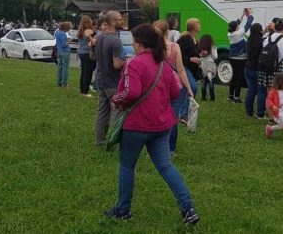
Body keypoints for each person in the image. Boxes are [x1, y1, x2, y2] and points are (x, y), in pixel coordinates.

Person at [105, 24, 199, 225]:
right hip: (162, 125)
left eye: (133, 40)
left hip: (136, 125)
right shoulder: (164, 64)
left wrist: (116, 99)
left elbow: (131, 93)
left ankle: (122, 210)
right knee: (166, 166)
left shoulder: (134, 64)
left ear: (138, 43)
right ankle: (188, 207)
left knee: (127, 166)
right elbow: (175, 92)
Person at [152, 20, 193, 158]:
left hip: (157, 86)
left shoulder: (151, 49)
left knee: (158, 116)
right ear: (168, 32)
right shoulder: (175, 47)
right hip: (175, 86)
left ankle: (157, 147)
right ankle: (170, 149)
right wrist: (189, 88)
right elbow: (181, 70)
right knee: (173, 118)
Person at [94, 11, 126, 146]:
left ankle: (100, 139)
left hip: (100, 79)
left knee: (102, 110)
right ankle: (114, 140)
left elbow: (93, 57)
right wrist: (127, 60)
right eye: (119, 19)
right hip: (113, 82)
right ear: (113, 22)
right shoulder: (116, 40)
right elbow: (117, 64)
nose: (122, 21)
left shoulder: (99, 37)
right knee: (118, 111)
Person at [257, 18, 283, 120]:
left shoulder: (267, 39)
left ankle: (270, 116)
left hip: (268, 68)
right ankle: (282, 115)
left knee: (270, 94)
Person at [177, 18, 201, 122]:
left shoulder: (194, 39)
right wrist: (191, 59)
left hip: (190, 69)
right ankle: (184, 114)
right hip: (184, 68)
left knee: (183, 91)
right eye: (198, 24)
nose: (200, 25)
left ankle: (181, 113)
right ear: (193, 27)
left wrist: (200, 55)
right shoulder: (185, 39)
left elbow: (192, 53)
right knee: (193, 87)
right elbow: (179, 56)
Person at [227, 9, 254, 103]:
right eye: (238, 26)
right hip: (240, 58)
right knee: (239, 77)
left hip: (232, 57)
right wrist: (250, 15)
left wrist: (242, 15)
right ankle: (237, 97)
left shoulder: (230, 33)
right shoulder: (239, 33)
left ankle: (230, 96)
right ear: (236, 28)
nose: (239, 26)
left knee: (234, 76)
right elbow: (248, 25)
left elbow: (236, 23)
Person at [244, 23, 265, 117]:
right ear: (260, 30)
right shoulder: (262, 41)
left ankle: (249, 112)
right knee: (261, 91)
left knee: (251, 90)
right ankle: (260, 113)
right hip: (259, 69)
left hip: (248, 68)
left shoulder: (249, 40)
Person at [77, 15, 96, 97]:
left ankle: (82, 90)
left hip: (81, 53)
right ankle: (86, 92)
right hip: (88, 53)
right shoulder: (89, 30)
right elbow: (93, 42)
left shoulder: (80, 30)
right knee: (88, 73)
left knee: (83, 72)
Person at [198, 34, 218, 101]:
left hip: (203, 64)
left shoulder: (200, 47)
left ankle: (203, 97)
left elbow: (199, 56)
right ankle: (212, 97)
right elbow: (215, 57)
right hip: (210, 64)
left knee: (204, 80)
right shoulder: (212, 46)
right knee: (211, 80)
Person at [54, 21, 72, 87]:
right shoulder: (63, 34)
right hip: (65, 51)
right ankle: (64, 83)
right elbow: (64, 44)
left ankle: (59, 82)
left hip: (59, 51)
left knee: (60, 67)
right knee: (65, 67)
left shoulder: (58, 33)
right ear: (66, 28)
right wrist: (69, 41)